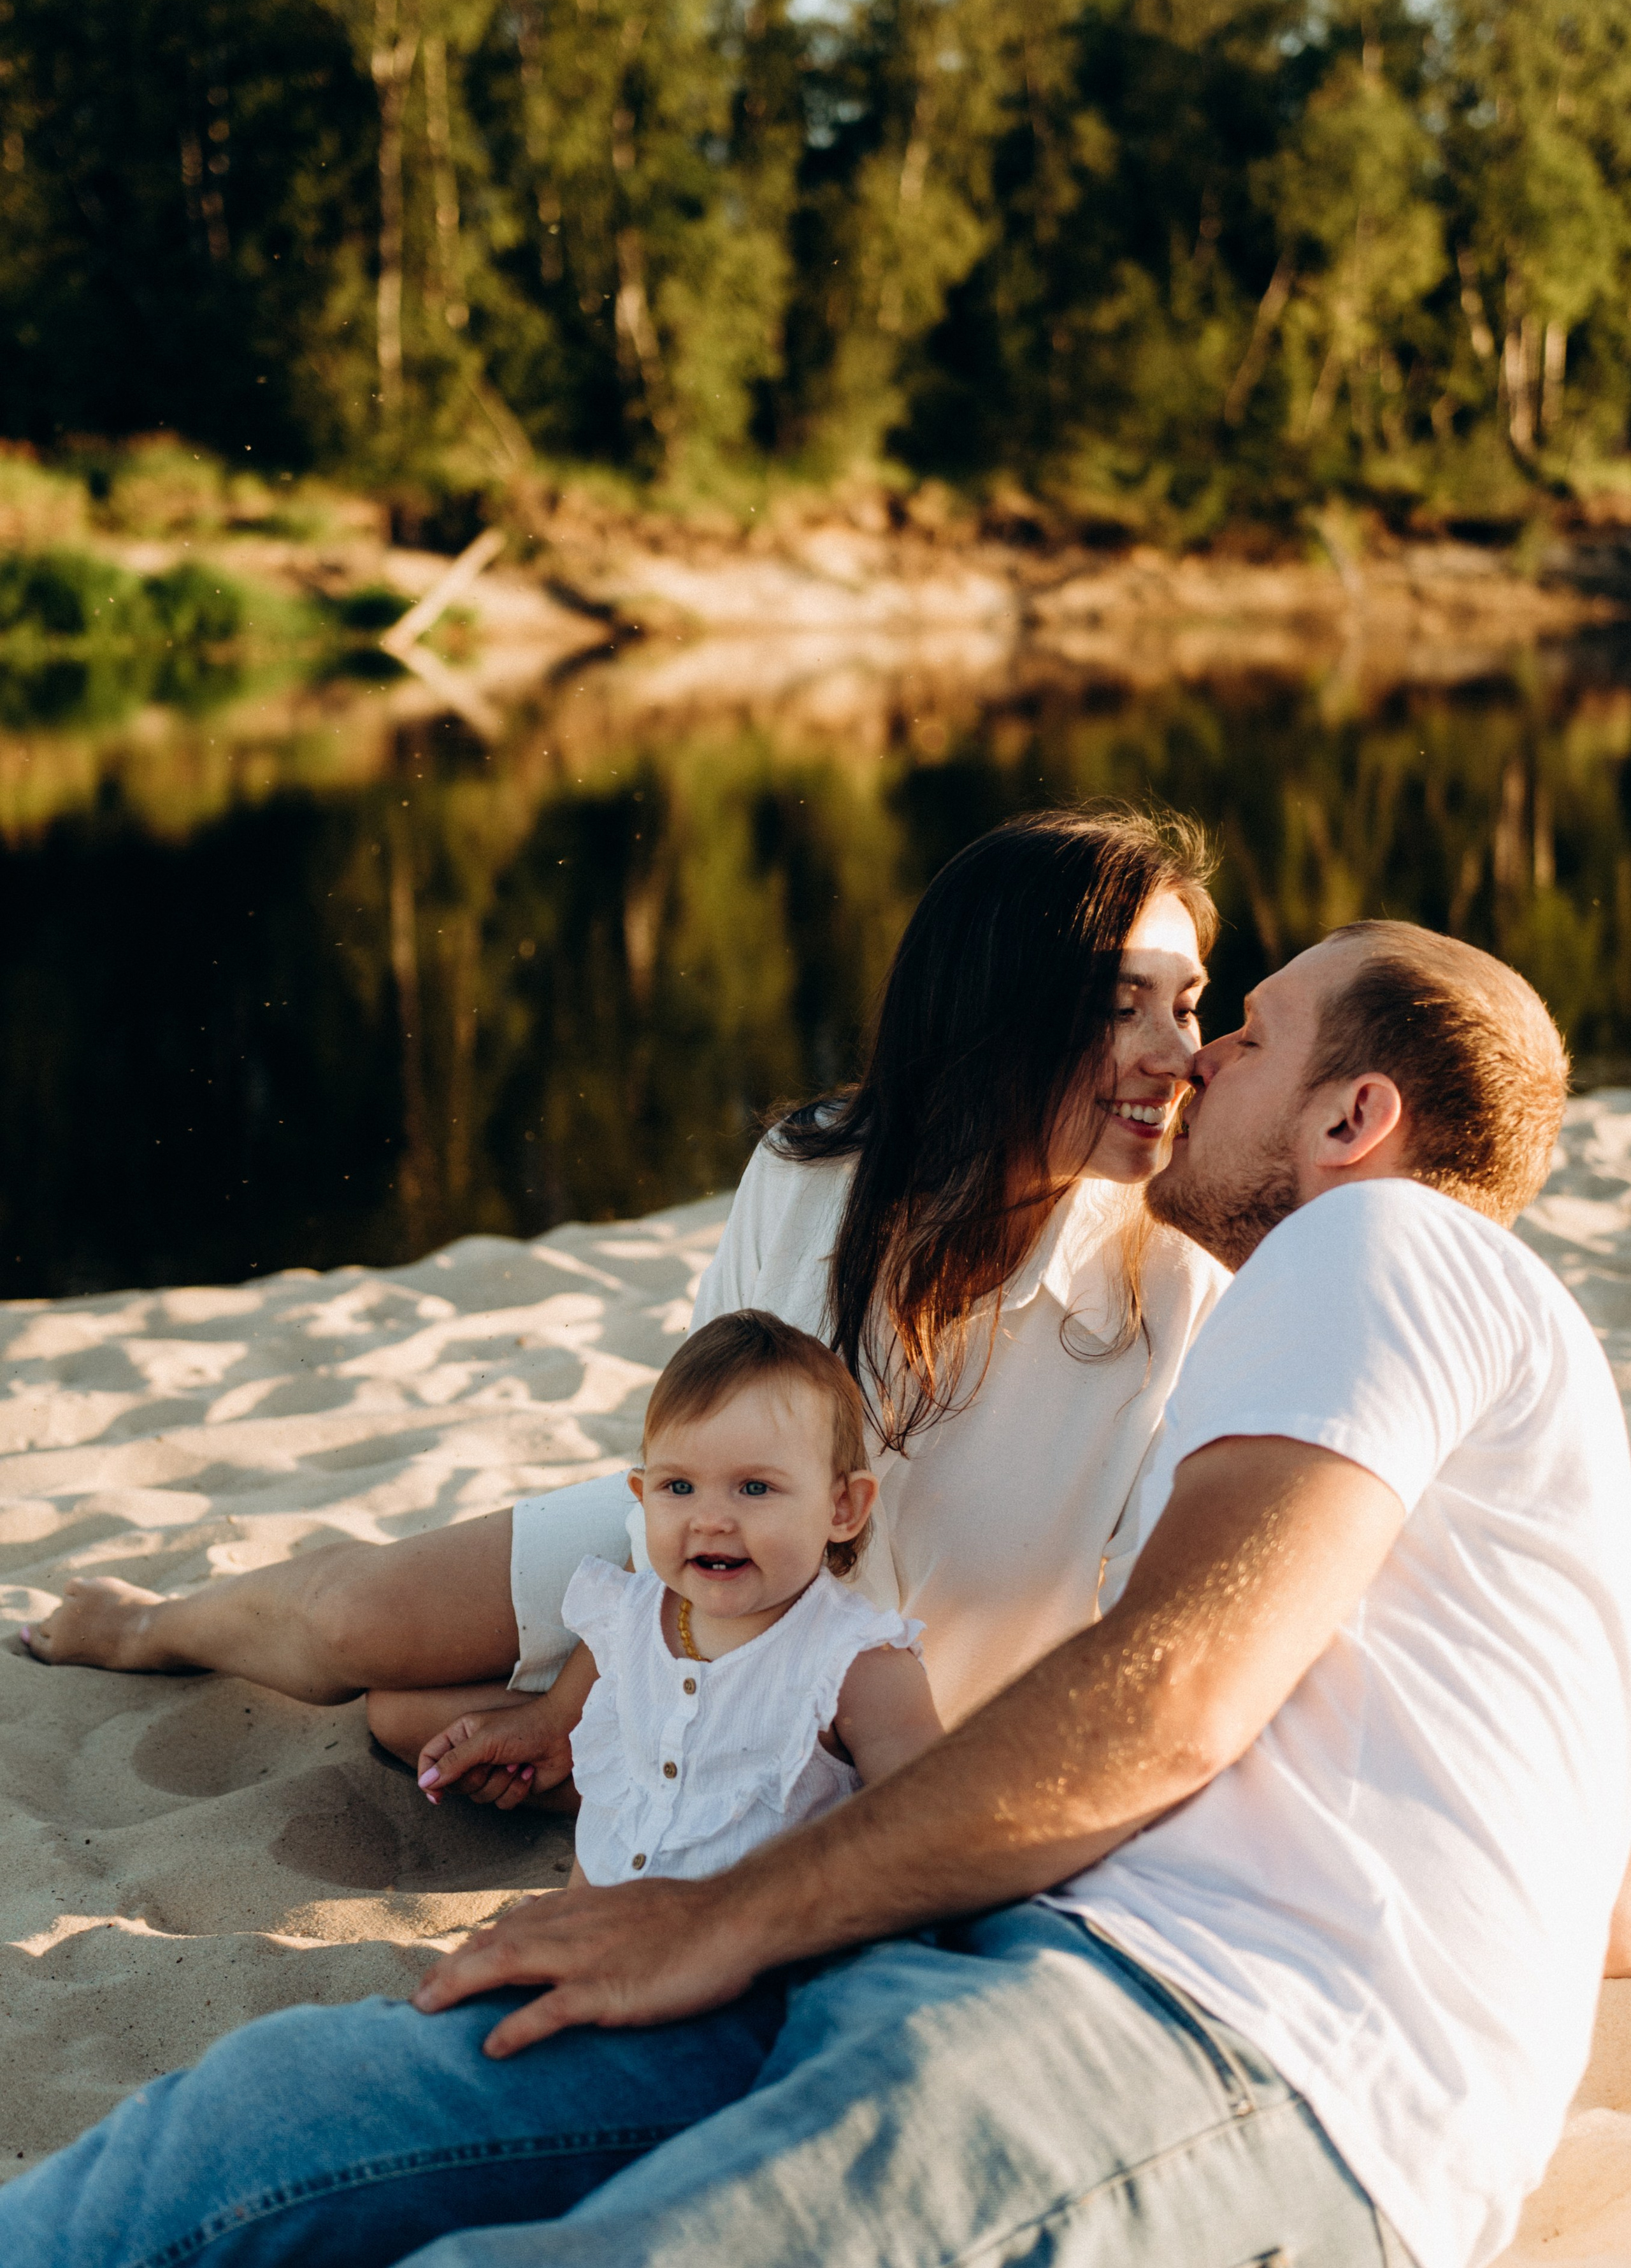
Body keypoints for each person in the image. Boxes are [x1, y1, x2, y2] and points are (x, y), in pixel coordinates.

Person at [4, 919, 1627, 2268]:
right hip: (972, 1940)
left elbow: (1167, 1699)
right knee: (260, 2129)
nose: (1197, 1059)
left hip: (1229, 2043)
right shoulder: (1365, 1404)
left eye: (1246, 1033)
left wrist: (718, 1915)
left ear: (1351, 1122)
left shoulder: (1386, 1248)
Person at [24, 807, 1227, 1781]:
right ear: (997, 1008)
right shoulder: (818, 1174)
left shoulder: (1176, 1293)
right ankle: (148, 1624)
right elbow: (695, 1448)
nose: (1176, 1055)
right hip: (708, 1554)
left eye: (1186, 1003)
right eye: (1121, 1007)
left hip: (891, 1721)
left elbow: (1158, 1638)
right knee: (356, 1632)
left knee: (405, 1720)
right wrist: (583, 1700)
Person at [435, 1307, 942, 1877]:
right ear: (641, 1496)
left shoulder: (857, 1664)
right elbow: (615, 1814)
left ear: (841, 1507)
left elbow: (931, 1829)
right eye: (678, 1486)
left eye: (755, 1487)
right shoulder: (632, 1619)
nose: (711, 1519)